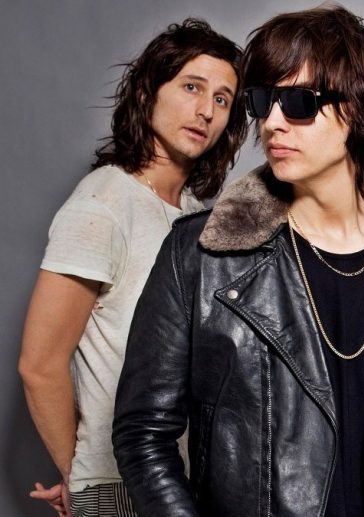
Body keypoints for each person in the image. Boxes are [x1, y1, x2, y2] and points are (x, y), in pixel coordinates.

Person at [112, 6, 364, 516]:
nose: (271, 123)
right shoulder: (201, 255)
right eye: (262, 101)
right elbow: (143, 433)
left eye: (297, 103)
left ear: (359, 110)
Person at [17, 19, 246, 517]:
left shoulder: (194, 217)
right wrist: (82, 477)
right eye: (191, 87)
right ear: (148, 91)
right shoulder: (103, 204)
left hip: (182, 483)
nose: (206, 110)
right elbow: (40, 364)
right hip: (120, 487)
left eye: (222, 99)